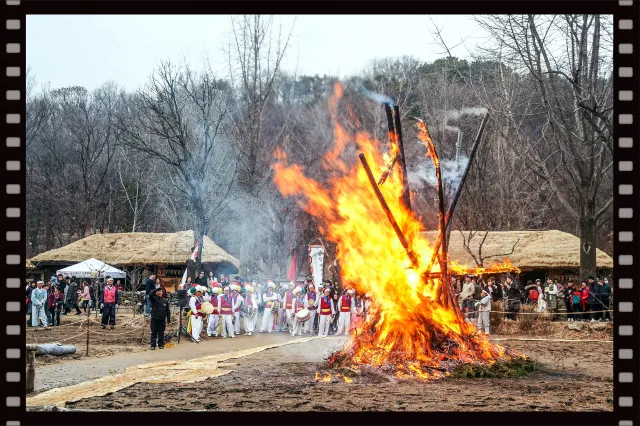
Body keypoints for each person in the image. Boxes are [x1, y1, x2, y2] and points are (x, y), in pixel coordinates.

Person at [147, 285, 171, 350]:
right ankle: (153, 345)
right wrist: (156, 289)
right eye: (159, 291)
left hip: (162, 319)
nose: (160, 292)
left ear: (162, 293)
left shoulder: (165, 300)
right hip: (154, 318)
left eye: (161, 291)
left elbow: (167, 310)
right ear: (157, 292)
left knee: (161, 332)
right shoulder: (154, 298)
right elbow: (150, 294)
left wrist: (168, 319)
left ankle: (160, 344)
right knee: (154, 332)